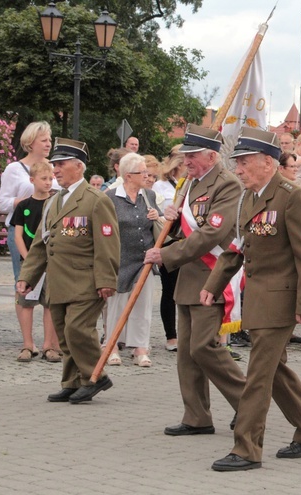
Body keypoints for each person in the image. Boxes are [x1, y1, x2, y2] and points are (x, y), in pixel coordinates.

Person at [200, 127, 301, 472]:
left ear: (267, 163)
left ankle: (246, 448)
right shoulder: (250, 198)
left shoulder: (290, 197)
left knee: (258, 374)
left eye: (243, 162)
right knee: (275, 372)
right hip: (257, 300)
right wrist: (214, 284)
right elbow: (237, 249)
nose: (238, 169)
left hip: (280, 302)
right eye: (237, 162)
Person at [143, 125, 246, 436]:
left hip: (213, 277)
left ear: (212, 155)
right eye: (184, 155)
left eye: (192, 155)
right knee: (187, 354)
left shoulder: (227, 185)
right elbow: (186, 228)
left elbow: (213, 232)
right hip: (189, 277)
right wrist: (171, 221)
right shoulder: (188, 185)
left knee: (204, 347)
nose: (185, 160)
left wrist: (168, 254)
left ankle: (248, 404)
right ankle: (197, 417)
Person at [17, 138, 120, 404]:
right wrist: (27, 276)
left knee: (78, 330)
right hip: (59, 280)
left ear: (79, 167)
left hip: (86, 280)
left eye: (61, 164)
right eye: (54, 165)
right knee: (64, 332)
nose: (56, 169)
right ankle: (73, 382)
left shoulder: (96, 200)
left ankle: (95, 376)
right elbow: (41, 243)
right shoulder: (54, 202)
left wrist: (107, 279)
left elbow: (108, 243)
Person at [103, 152, 162, 368]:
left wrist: (158, 216)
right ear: (129, 175)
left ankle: (140, 348)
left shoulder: (149, 196)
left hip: (144, 258)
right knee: (116, 305)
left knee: (143, 304)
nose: (147, 175)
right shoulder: (110, 197)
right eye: (142, 172)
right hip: (119, 258)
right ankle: (112, 346)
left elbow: (160, 224)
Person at [10, 160, 61, 362]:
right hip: (30, 260)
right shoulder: (24, 205)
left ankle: (49, 345)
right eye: (44, 179)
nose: (48, 182)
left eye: (51, 178)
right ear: (32, 180)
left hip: (52, 261)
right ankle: (27, 344)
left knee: (50, 303)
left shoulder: (56, 203)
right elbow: (18, 236)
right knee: (26, 301)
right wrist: (28, 258)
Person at [0, 121, 53, 282]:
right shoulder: (14, 169)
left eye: (49, 140)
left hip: (49, 231)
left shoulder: (54, 167)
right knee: (23, 279)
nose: (48, 144)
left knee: (50, 283)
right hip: (22, 231)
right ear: (30, 142)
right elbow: (3, 203)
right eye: (43, 140)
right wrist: (28, 202)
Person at [151, 145, 186, 351]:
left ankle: (185, 332)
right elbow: (159, 214)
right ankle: (170, 336)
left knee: (186, 289)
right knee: (169, 289)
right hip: (168, 241)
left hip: (186, 242)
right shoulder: (160, 186)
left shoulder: (188, 185)